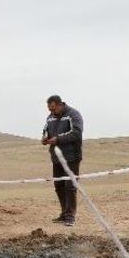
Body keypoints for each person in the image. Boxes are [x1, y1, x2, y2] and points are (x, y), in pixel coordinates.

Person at [41, 95, 83, 227]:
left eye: (53, 108)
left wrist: (57, 139)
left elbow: (76, 133)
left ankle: (70, 216)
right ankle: (64, 213)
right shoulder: (50, 117)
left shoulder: (73, 115)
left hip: (71, 157)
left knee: (70, 186)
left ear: (60, 104)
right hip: (56, 158)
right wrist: (45, 138)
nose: (51, 112)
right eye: (49, 109)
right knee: (59, 186)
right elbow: (45, 130)